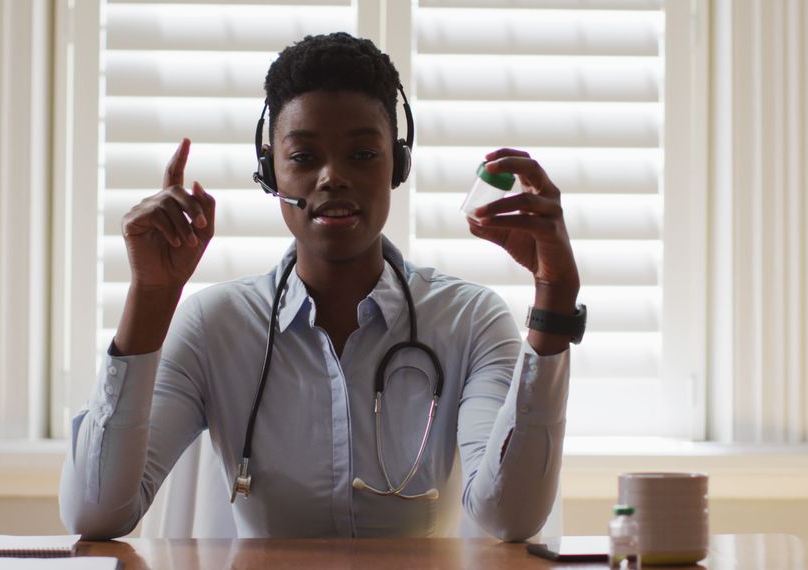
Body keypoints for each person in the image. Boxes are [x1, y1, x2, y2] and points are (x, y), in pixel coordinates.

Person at [60, 32, 582, 541]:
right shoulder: (213, 326)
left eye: (362, 155)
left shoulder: (468, 319)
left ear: (397, 166)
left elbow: (510, 517)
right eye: (304, 157)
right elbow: (96, 513)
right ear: (271, 174)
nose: (332, 177)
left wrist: (553, 299)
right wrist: (151, 296)